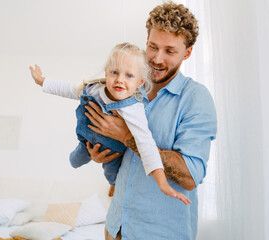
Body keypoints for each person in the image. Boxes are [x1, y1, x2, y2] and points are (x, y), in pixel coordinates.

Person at [84, 2, 217, 240]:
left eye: (169, 51)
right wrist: (101, 150)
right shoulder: (130, 88)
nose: (156, 58)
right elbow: (125, 156)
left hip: (159, 234)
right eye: (153, 46)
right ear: (146, 40)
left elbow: (190, 176)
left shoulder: (196, 98)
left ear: (187, 53)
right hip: (115, 227)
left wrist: (126, 135)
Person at [29, 42, 191, 205]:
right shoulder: (95, 89)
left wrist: (162, 182)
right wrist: (42, 81)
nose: (120, 80)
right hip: (87, 141)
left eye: (129, 76)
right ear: (106, 73)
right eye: (114, 72)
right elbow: (70, 89)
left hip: (113, 151)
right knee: (74, 160)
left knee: (111, 172)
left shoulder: (133, 108)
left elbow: (146, 144)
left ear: (140, 83)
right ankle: (77, 162)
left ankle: (113, 184)